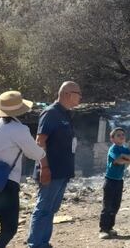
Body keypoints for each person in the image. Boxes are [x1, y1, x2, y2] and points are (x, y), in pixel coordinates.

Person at [0, 91, 46, 248]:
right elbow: (35, 154)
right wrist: (43, 150)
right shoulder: (20, 129)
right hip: (6, 184)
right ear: (21, 110)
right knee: (9, 229)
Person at [27, 81, 82, 248]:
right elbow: (40, 141)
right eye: (78, 93)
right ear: (66, 93)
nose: (80, 97)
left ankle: (43, 242)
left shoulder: (66, 113)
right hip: (51, 170)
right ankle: (35, 244)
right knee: (43, 207)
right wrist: (44, 167)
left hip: (63, 171)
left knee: (52, 208)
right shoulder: (51, 113)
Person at [99, 127, 130, 239]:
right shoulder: (113, 149)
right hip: (110, 181)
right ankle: (103, 230)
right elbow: (118, 161)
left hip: (119, 181)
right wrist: (126, 159)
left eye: (122, 135)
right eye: (118, 135)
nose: (121, 136)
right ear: (112, 139)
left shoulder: (124, 149)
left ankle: (110, 228)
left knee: (115, 205)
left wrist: (125, 158)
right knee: (107, 206)